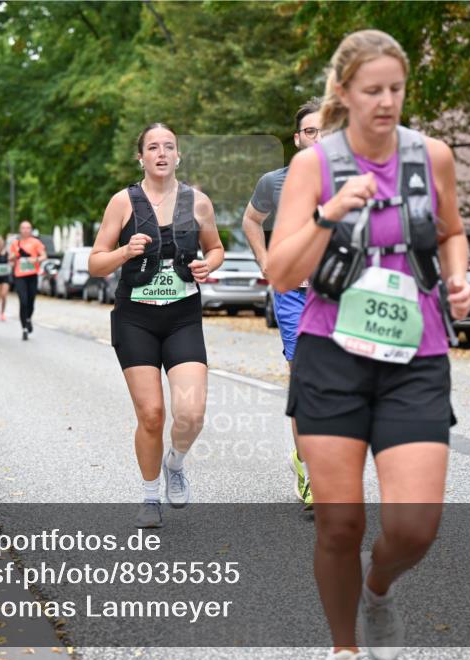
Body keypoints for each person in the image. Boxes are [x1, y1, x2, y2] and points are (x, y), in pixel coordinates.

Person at [266, 30, 470, 660]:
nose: (386, 101)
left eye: (395, 89)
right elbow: (280, 272)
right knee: (340, 523)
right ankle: (344, 647)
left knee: (415, 525)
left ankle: (378, 589)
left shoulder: (432, 156)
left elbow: (451, 231)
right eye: (372, 90)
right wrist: (328, 213)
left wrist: (458, 278)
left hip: (417, 355)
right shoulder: (315, 166)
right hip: (332, 355)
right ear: (344, 92)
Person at [89, 123, 224, 529]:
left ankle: (175, 463)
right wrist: (123, 252)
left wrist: (208, 265)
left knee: (192, 414)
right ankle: (150, 496)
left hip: (182, 316)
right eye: (153, 147)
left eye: (169, 146)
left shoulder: (198, 202)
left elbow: (216, 248)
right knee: (151, 414)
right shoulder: (123, 202)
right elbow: (96, 263)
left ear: (178, 155)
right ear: (141, 157)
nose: (161, 153)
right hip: (135, 318)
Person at [243, 97, 323, 510]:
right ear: (297, 139)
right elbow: (251, 220)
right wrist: (266, 261)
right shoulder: (274, 182)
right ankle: (310, 472)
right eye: (311, 131)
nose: (319, 137)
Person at [9, 220, 47, 340]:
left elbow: (44, 256)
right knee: (23, 301)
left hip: (32, 275)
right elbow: (10, 259)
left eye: (28, 228)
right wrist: (13, 257)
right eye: (23, 228)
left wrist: (36, 260)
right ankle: (24, 328)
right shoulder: (15, 243)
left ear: (31, 230)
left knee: (31, 301)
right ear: (20, 230)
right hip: (19, 276)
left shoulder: (36, 242)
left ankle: (28, 318)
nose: (26, 230)